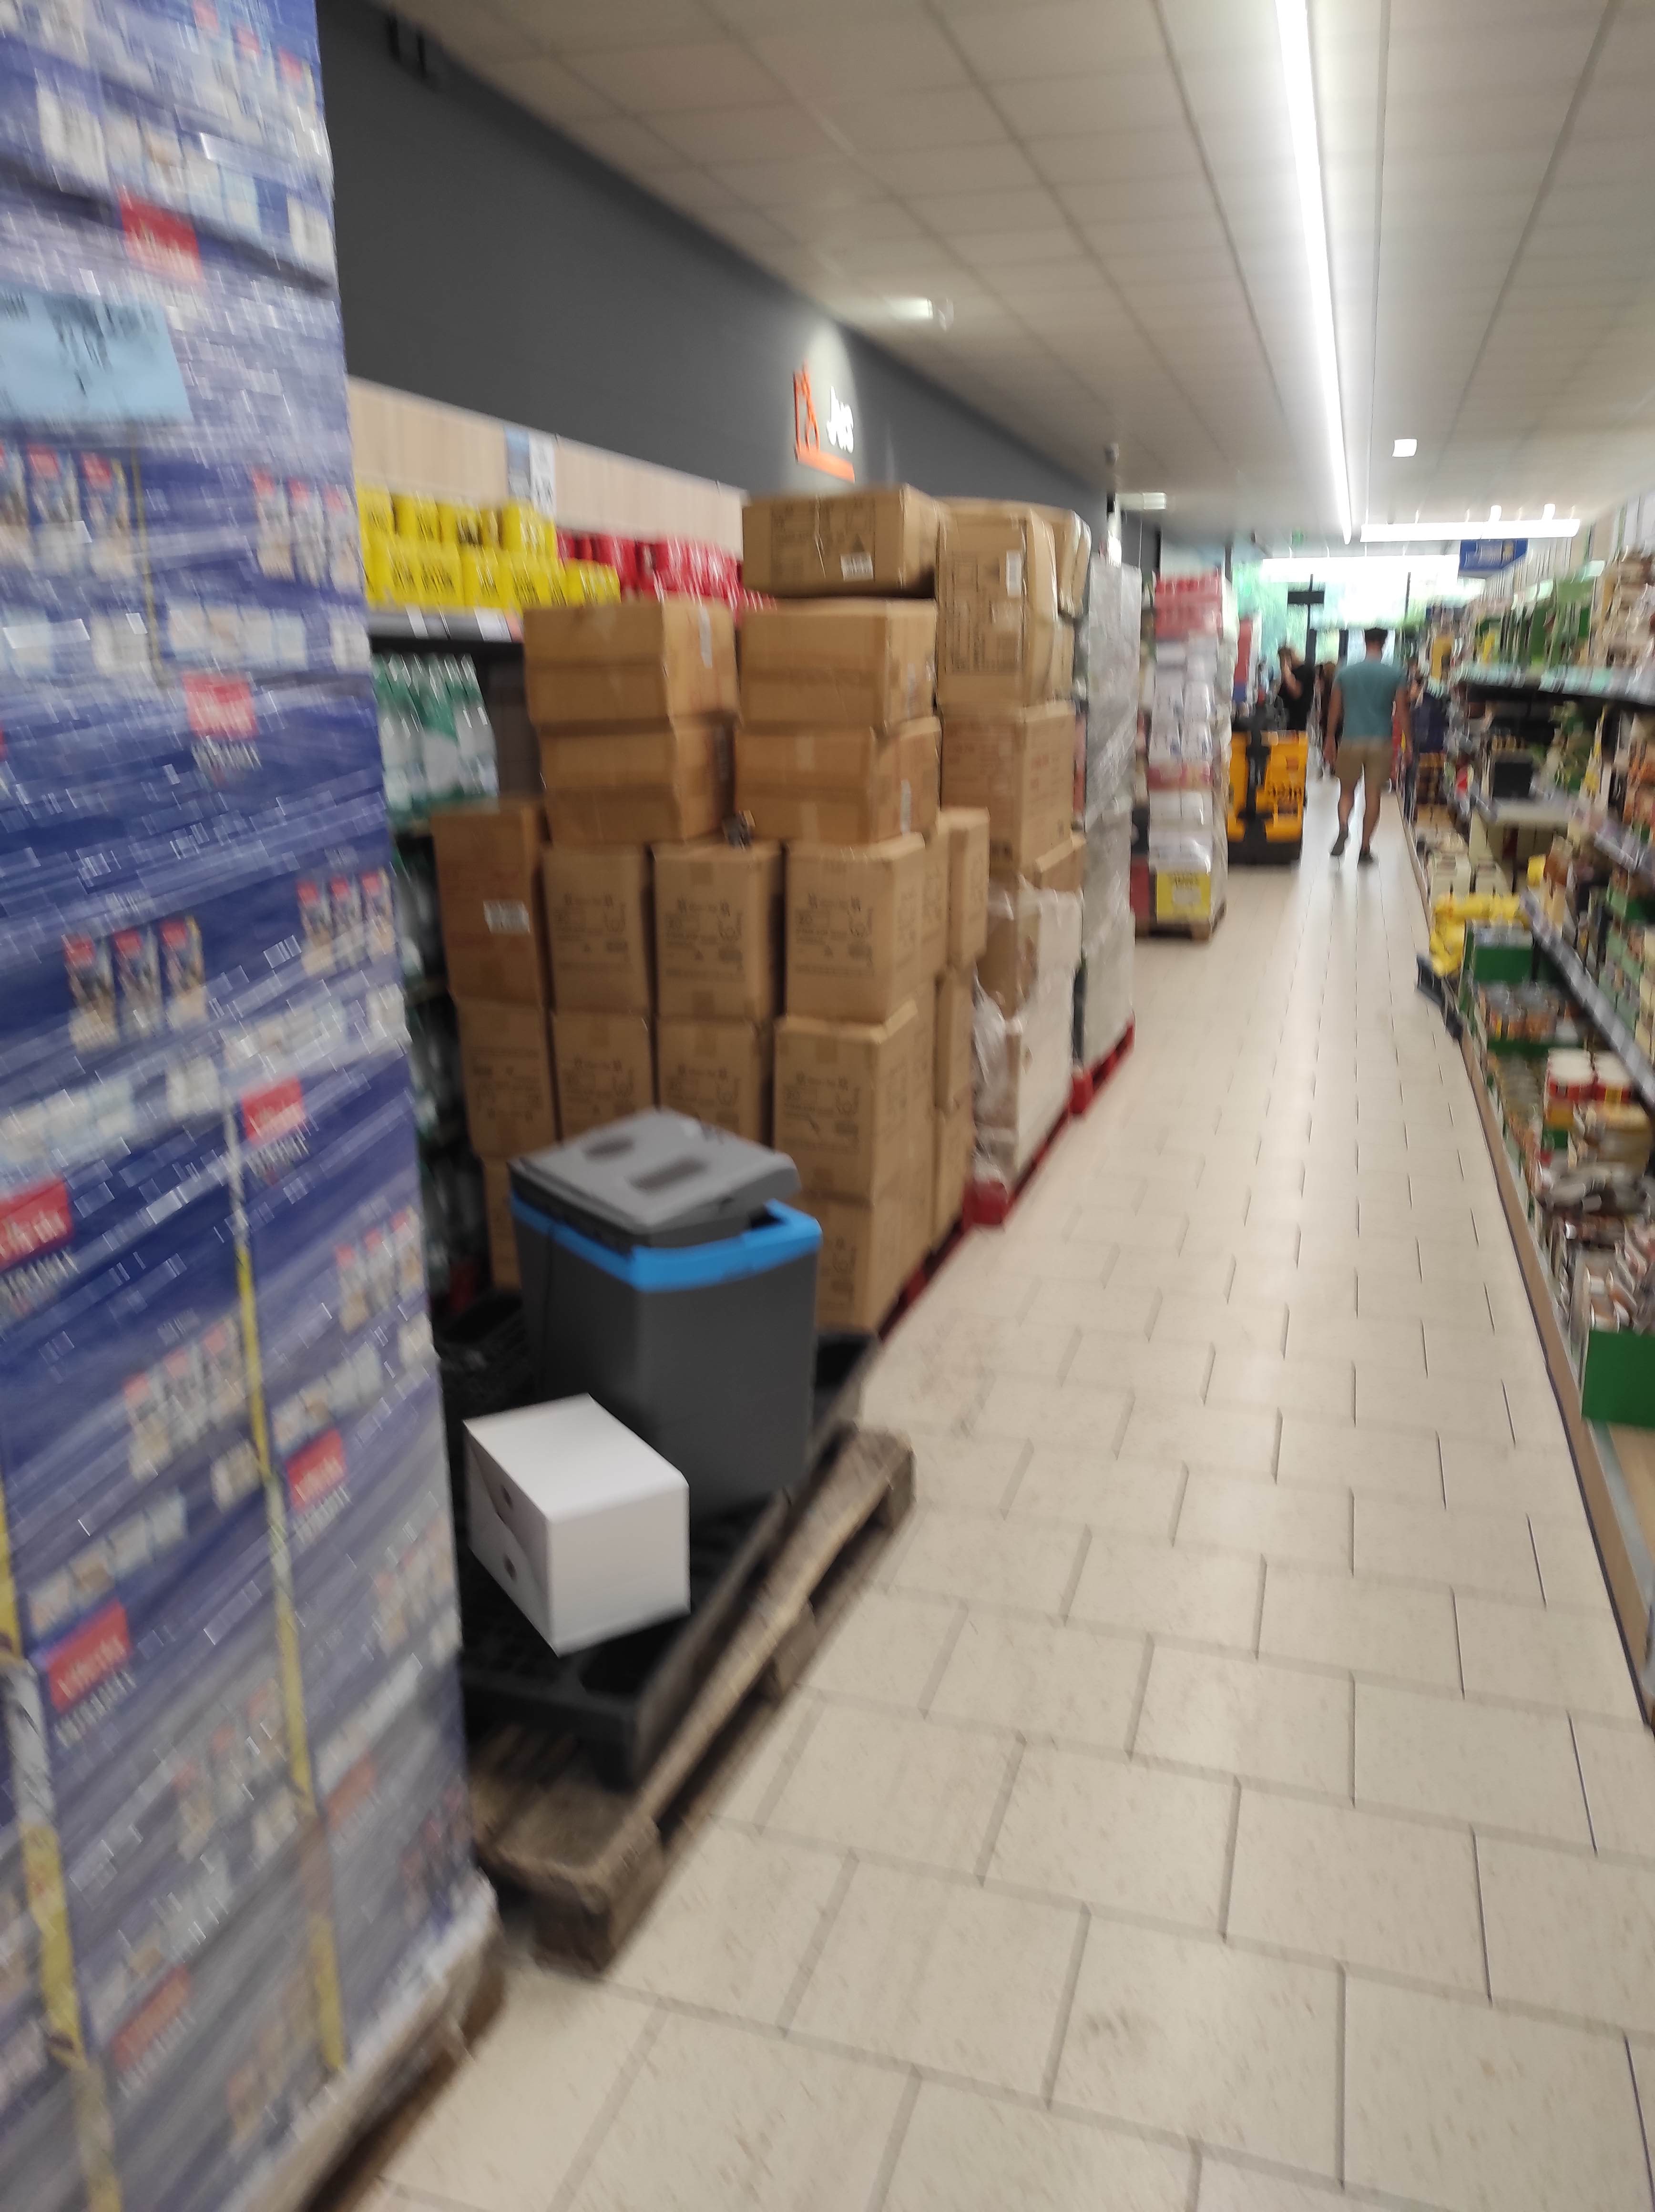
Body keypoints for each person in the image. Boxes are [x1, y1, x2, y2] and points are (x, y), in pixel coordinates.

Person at [1326, 626, 1406, 863]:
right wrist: (1409, 743)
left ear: (1364, 641)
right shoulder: (1395, 673)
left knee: (1347, 792)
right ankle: (1364, 849)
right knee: (1373, 797)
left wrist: (1330, 738)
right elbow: (1402, 712)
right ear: (1384, 643)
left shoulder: (1345, 672)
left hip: (1351, 739)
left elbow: (1334, 708)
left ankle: (1343, 825)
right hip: (1380, 742)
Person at [1277, 643, 1311, 732]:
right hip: (1286, 722)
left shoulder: (1304, 671)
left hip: (1298, 724)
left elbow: (1296, 692)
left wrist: (1286, 668)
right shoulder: (1289, 676)